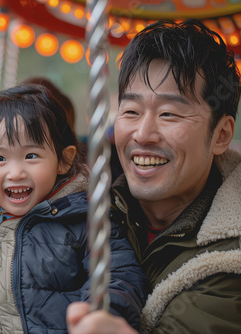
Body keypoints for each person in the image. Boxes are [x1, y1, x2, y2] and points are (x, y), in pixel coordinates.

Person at [67, 19, 241, 334]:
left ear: (221, 134)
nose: (143, 134)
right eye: (131, 111)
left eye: (169, 114)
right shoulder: (79, 208)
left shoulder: (231, 257)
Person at [0, 83, 147, 333]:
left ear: (64, 160)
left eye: (31, 155)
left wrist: (102, 314)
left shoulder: (84, 219)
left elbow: (118, 275)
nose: (16, 172)